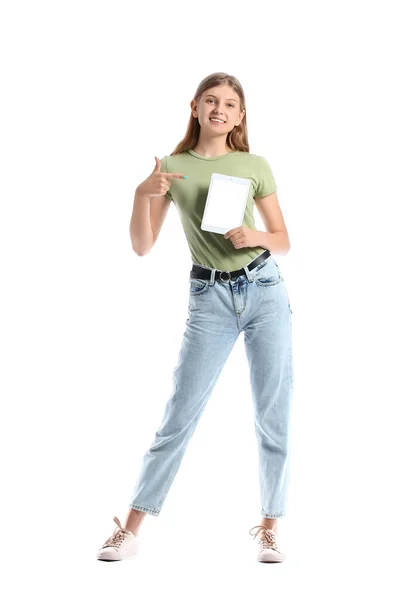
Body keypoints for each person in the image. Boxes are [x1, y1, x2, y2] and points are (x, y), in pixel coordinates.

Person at [96, 72, 294, 563]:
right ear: (195, 106)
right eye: (211, 100)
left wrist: (257, 238)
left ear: (240, 115)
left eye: (230, 103)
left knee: (273, 413)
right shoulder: (173, 167)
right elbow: (142, 246)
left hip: (265, 288)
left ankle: (269, 527)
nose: (220, 109)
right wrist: (142, 193)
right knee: (179, 414)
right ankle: (131, 527)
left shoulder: (255, 164)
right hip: (209, 298)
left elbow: (284, 239)